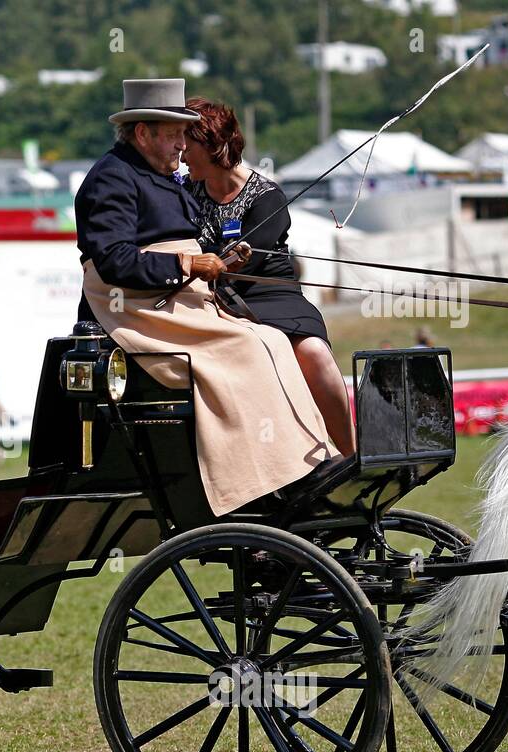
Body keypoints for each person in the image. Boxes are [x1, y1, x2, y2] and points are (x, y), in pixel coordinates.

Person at [75, 79, 332, 516]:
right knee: (247, 348)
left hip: (176, 297)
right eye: (175, 134)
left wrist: (214, 262)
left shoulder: (161, 176)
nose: (182, 145)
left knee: (271, 340)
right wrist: (189, 265)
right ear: (143, 134)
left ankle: (310, 458)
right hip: (135, 309)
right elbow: (116, 262)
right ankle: (257, 484)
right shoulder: (111, 180)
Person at [181, 97, 355, 458]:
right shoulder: (185, 191)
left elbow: (243, 260)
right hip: (211, 298)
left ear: (212, 145)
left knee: (313, 352)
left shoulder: (266, 196)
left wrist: (210, 266)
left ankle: (351, 454)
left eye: (188, 145)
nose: (182, 154)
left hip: (270, 296)